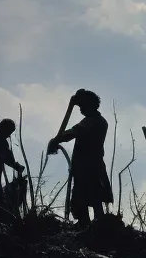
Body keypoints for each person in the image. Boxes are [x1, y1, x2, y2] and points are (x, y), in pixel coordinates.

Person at [47, 89, 113, 229]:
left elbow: (74, 132)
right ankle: (92, 225)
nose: (81, 109)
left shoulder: (93, 121)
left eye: (82, 106)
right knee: (92, 195)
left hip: (88, 164)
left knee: (87, 195)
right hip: (89, 163)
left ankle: (92, 225)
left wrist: (56, 140)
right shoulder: (97, 120)